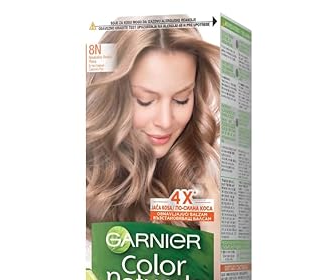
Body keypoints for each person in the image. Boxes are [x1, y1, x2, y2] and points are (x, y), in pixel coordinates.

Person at [86, 21, 220, 238]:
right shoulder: (86, 177)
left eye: (181, 99)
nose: (165, 122)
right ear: (112, 98)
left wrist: (213, 215)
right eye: (145, 100)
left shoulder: (209, 174)